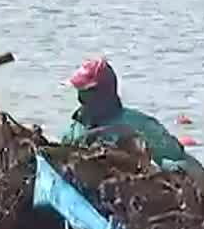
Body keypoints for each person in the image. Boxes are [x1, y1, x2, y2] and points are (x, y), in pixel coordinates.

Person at [59, 57, 194, 168]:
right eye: (80, 93)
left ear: (104, 93)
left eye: (87, 94)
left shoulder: (139, 126)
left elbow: (175, 154)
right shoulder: (74, 130)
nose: (81, 99)